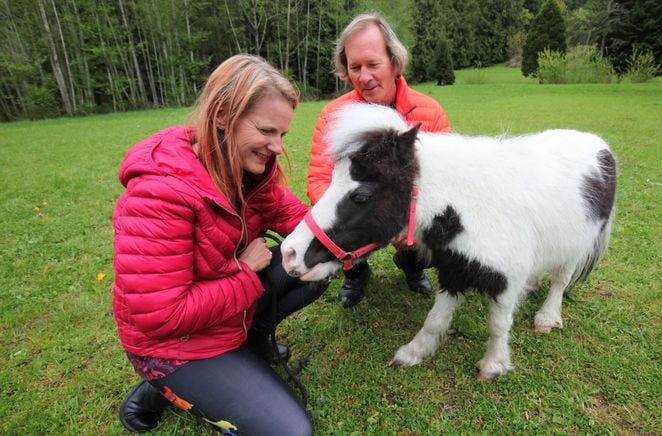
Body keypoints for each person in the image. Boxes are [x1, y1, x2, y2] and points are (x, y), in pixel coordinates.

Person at [112, 54, 328, 435]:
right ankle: (159, 386)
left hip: (222, 311)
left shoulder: (250, 172)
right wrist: (245, 272)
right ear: (224, 114)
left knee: (315, 266)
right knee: (291, 433)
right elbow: (161, 316)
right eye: (266, 131)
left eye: (282, 135)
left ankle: (245, 349)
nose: (277, 147)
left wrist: (371, 224)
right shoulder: (159, 193)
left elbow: (309, 227)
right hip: (172, 345)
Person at [307, 12, 452, 308]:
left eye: (373, 64)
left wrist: (408, 223)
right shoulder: (333, 117)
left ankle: (412, 265)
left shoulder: (430, 112)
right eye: (355, 67)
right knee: (344, 222)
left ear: (395, 63)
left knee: (431, 234)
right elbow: (318, 179)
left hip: (407, 215)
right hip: (358, 213)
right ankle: (356, 275)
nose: (364, 76)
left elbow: (447, 180)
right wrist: (360, 217)